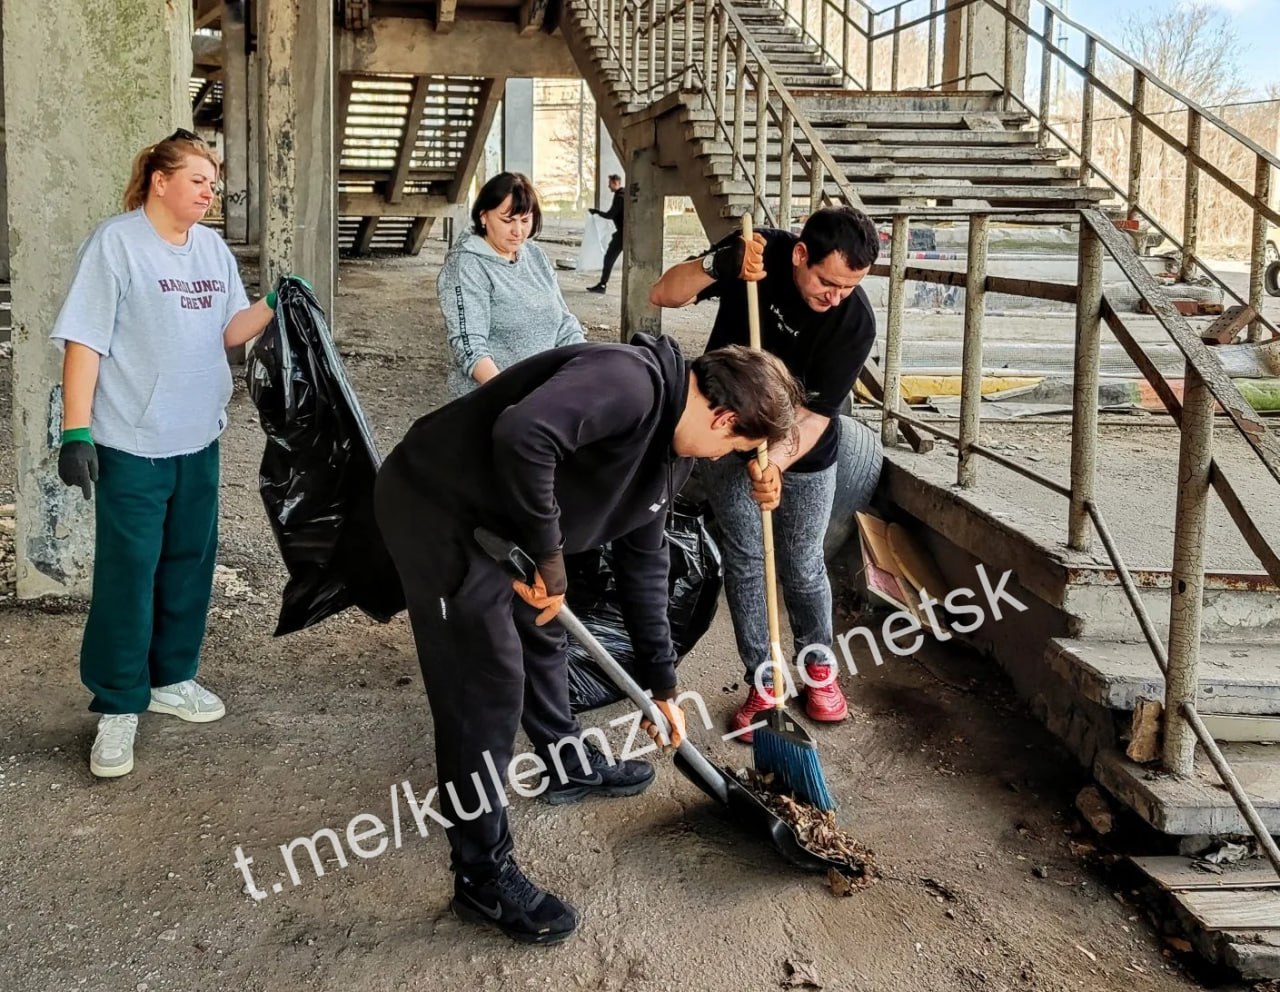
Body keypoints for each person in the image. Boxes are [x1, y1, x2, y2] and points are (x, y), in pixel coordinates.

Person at [374, 334, 803, 944]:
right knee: (484, 690)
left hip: (505, 527)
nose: (723, 458)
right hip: (442, 509)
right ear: (724, 418)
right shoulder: (628, 382)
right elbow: (523, 434)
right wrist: (549, 556)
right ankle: (481, 878)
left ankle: (565, 764)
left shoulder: (673, 452)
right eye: (734, 447)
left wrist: (662, 685)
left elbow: (644, 562)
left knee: (544, 634)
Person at [50, 129, 288, 778]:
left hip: (197, 438)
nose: (210, 192)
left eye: (214, 184)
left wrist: (273, 302)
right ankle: (118, 703)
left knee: (188, 563)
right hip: (132, 442)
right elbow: (85, 341)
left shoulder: (210, 248)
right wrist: (76, 432)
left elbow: (230, 331)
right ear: (160, 182)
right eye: (197, 181)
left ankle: (172, 677)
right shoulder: (117, 243)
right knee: (129, 574)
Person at [648, 206, 881, 741]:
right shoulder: (756, 252)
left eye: (850, 287)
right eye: (827, 282)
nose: (836, 297)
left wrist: (774, 462)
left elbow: (816, 415)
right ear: (800, 255)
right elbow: (664, 294)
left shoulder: (854, 323)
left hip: (805, 450)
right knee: (748, 561)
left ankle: (819, 669)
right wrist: (720, 263)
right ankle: (765, 681)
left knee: (802, 563)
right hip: (727, 436)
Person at [439, 172, 585, 400]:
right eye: (507, 221)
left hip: (544, 394)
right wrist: (509, 396)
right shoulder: (466, 265)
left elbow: (565, 324)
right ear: (483, 216)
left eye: (525, 220)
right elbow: (469, 346)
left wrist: (586, 364)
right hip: (491, 400)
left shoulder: (535, 256)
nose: (518, 231)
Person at [586, 173, 624, 294]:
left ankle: (602, 285)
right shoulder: (622, 194)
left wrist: (596, 212)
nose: (608, 187)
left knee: (609, 258)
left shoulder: (620, 197)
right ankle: (602, 284)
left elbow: (610, 215)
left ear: (615, 183)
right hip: (625, 232)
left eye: (610, 184)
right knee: (610, 257)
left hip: (623, 234)